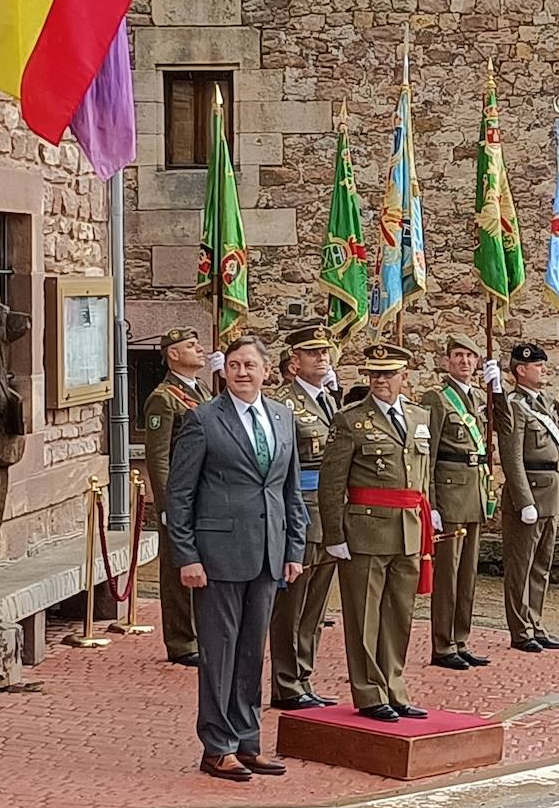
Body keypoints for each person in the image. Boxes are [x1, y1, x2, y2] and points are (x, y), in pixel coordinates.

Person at [168, 336, 307, 781]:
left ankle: (248, 741)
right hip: (219, 555)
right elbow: (180, 493)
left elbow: (290, 491)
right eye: (234, 365)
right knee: (220, 654)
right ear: (223, 371)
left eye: (250, 364)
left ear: (267, 371)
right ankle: (217, 745)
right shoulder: (203, 420)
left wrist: (294, 549)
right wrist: (186, 555)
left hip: (268, 552)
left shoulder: (282, 418)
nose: (242, 372)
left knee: (251, 653)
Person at [318, 343, 435, 722]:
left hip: (408, 529)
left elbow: (421, 472)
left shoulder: (419, 416)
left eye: (388, 374)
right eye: (374, 374)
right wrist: (334, 535)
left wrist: (429, 512)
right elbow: (331, 483)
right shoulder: (350, 419)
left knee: (400, 614)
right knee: (365, 616)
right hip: (366, 529)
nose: (380, 380)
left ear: (405, 376)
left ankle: (395, 687)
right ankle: (369, 693)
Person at [269, 323, 342, 710]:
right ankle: (285, 682)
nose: (322, 357)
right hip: (299, 510)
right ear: (294, 362)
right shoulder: (283, 404)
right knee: (291, 605)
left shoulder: (329, 399)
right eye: (312, 353)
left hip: (329, 511)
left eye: (324, 351)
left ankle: (303, 676)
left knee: (315, 606)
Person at [420, 334, 502, 670]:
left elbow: (502, 432)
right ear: (447, 361)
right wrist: (433, 503)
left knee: (468, 575)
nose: (464, 362)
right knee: (448, 576)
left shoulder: (478, 398)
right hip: (450, 495)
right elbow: (430, 453)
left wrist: (498, 392)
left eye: (470, 356)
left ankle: (461, 638)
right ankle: (443, 644)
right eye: (458, 355)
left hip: (474, 494)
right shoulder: (436, 399)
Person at [495, 342, 559, 653]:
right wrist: (524, 500)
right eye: (539, 366)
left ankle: (536, 622)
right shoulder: (515, 405)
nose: (544, 370)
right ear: (521, 370)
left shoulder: (544, 400)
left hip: (551, 493)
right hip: (530, 492)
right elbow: (512, 457)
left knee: (541, 565)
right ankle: (520, 630)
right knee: (521, 564)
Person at [143, 327, 217, 668]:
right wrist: (168, 505)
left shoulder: (199, 389)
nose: (199, 349)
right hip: (180, 495)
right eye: (190, 346)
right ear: (173, 354)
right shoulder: (163, 398)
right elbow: (158, 457)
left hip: (204, 492)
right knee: (177, 569)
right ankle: (181, 640)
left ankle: (202, 633)